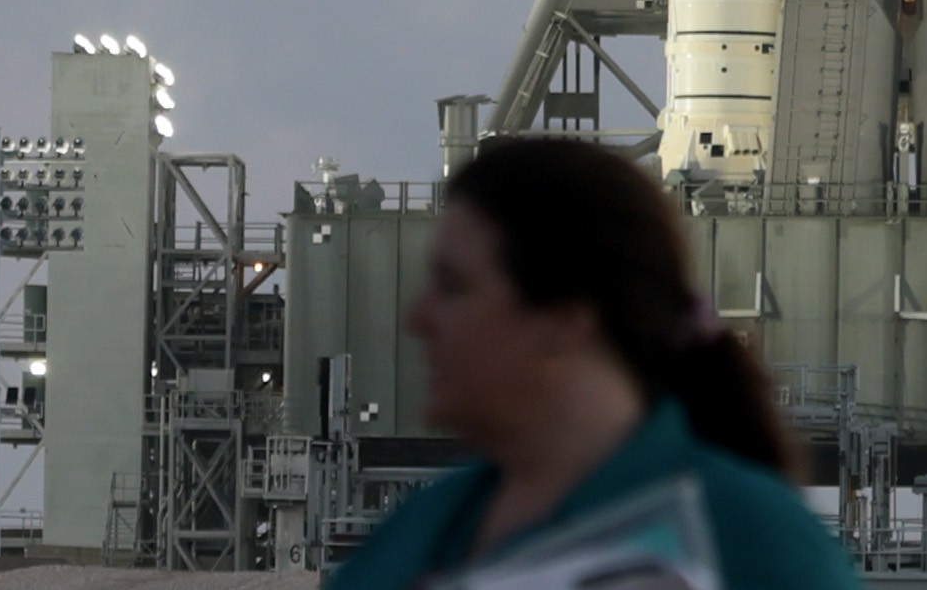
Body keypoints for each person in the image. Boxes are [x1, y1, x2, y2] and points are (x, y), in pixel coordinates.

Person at [333, 139, 864, 590]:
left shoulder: (752, 545)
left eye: (454, 287)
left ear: (565, 316)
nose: (417, 318)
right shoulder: (417, 532)